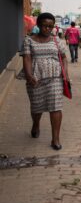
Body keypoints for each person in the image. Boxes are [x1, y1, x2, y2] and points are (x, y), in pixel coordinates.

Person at [21, 12, 68, 150]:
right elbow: (27, 58)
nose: (47, 29)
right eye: (44, 26)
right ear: (38, 25)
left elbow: (64, 57)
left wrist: (65, 74)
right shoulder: (28, 40)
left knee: (56, 107)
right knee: (37, 106)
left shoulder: (56, 40)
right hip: (36, 79)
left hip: (55, 78)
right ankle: (36, 124)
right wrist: (29, 76)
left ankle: (55, 139)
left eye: (50, 26)